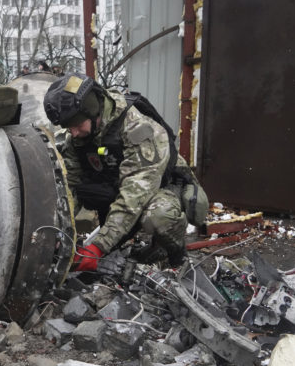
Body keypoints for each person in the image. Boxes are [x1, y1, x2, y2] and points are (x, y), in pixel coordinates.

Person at [43, 72, 208, 271]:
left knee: (159, 216)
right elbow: (69, 189)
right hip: (120, 188)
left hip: (161, 189)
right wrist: (56, 232)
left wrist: (98, 246)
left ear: (93, 112)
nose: (74, 133)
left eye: (77, 125)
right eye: (69, 128)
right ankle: (121, 244)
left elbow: (135, 194)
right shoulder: (78, 137)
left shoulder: (138, 129)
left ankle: (174, 255)